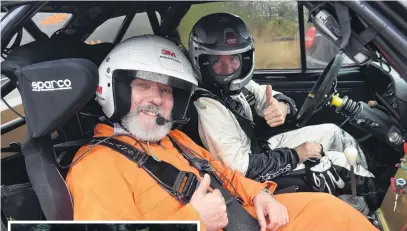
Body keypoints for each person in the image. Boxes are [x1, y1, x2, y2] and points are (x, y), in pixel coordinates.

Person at [65, 35, 378, 231]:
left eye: (166, 90)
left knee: (333, 212)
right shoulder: (96, 167)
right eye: (142, 85)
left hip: (244, 217)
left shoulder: (173, 139)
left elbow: (225, 174)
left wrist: (261, 195)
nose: (157, 99)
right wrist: (194, 221)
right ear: (114, 90)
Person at [187, 12, 382, 209]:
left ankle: (372, 170)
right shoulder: (207, 106)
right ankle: (382, 201)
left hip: (260, 151)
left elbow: (266, 95)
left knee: (332, 131)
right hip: (252, 177)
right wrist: (297, 154)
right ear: (203, 62)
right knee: (339, 163)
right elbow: (241, 170)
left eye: (234, 59)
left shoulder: (235, 86)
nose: (229, 68)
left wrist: (282, 105)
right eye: (218, 62)